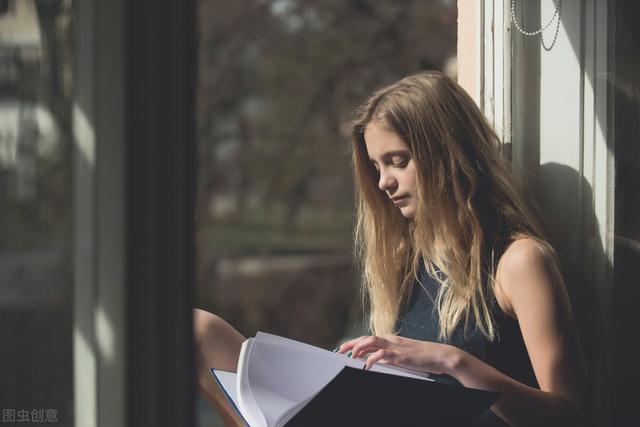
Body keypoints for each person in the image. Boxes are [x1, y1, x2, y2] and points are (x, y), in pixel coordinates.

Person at [194, 71, 586, 426]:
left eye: (398, 162)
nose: (384, 183)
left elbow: (566, 416)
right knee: (198, 332)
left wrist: (454, 363)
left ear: (448, 154)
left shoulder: (518, 262)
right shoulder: (409, 260)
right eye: (377, 167)